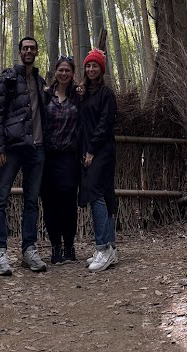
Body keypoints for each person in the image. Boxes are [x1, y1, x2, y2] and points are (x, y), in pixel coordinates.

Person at [0, 36, 47, 276]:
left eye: (32, 48)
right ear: (19, 51)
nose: (28, 51)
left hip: (36, 149)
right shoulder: (8, 78)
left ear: (37, 52)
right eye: (25, 48)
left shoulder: (40, 82)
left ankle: (29, 250)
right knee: (1, 199)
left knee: (32, 202)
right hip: (11, 149)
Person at [78, 48, 118, 272]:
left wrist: (91, 150)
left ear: (101, 69)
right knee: (104, 194)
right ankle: (111, 246)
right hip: (91, 150)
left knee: (96, 195)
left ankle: (103, 248)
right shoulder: (87, 94)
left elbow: (105, 124)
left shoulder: (106, 94)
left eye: (95, 65)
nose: (91, 69)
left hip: (102, 150)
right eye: (88, 66)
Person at [41, 55, 80, 265]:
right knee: (49, 204)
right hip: (48, 157)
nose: (64, 73)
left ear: (73, 74)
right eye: (60, 70)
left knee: (68, 203)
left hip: (69, 158)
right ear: (55, 72)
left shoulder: (78, 97)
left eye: (67, 70)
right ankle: (55, 247)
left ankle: (69, 246)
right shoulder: (46, 96)